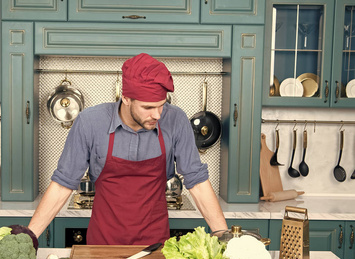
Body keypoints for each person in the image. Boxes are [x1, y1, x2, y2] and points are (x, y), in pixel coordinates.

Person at [28, 53, 227, 245]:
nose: (157, 115)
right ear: (126, 98)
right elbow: (62, 184)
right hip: (102, 245)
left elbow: (198, 183)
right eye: (148, 108)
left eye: (161, 106)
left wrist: (224, 237)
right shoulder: (90, 122)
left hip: (155, 247)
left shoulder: (176, 120)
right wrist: (28, 238)